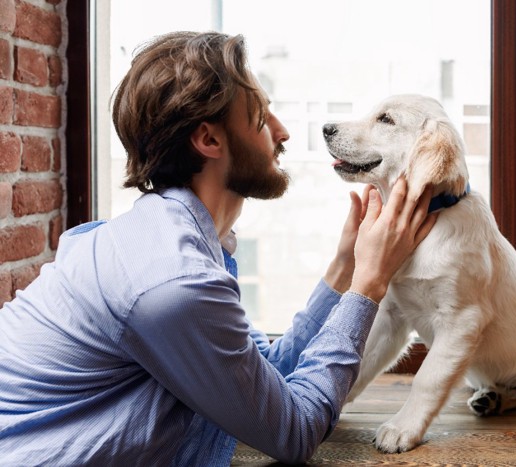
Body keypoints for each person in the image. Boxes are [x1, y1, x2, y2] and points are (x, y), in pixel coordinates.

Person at [0, 31, 437, 465]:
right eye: (263, 120)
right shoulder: (176, 280)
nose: (282, 133)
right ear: (209, 140)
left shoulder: (183, 244)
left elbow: (268, 377)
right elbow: (295, 431)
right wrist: (369, 286)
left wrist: (345, 268)